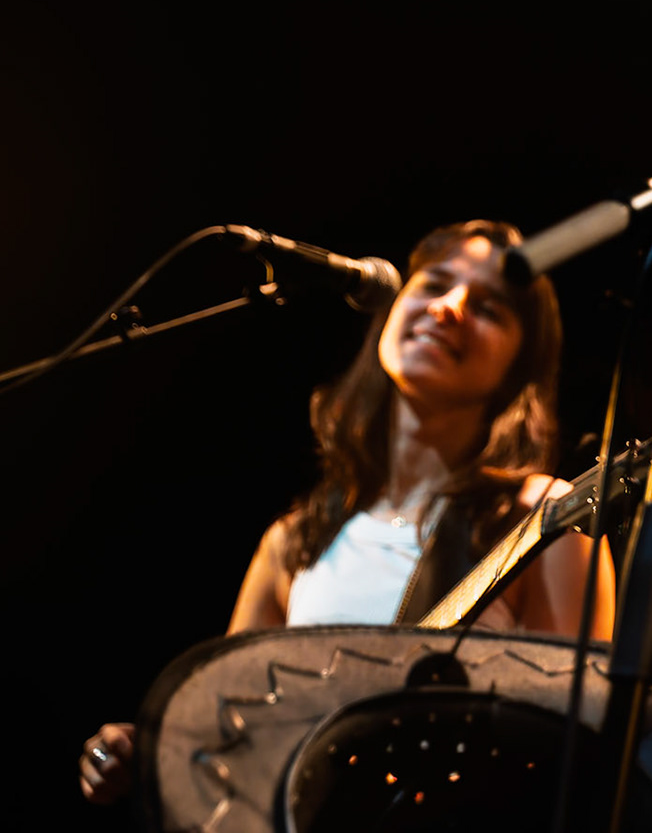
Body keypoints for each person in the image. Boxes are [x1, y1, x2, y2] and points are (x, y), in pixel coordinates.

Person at [79, 218, 617, 806]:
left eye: (489, 308)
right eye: (434, 285)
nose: (449, 308)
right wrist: (147, 748)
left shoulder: (542, 517)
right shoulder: (295, 540)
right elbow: (229, 724)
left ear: (519, 364)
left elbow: (573, 743)